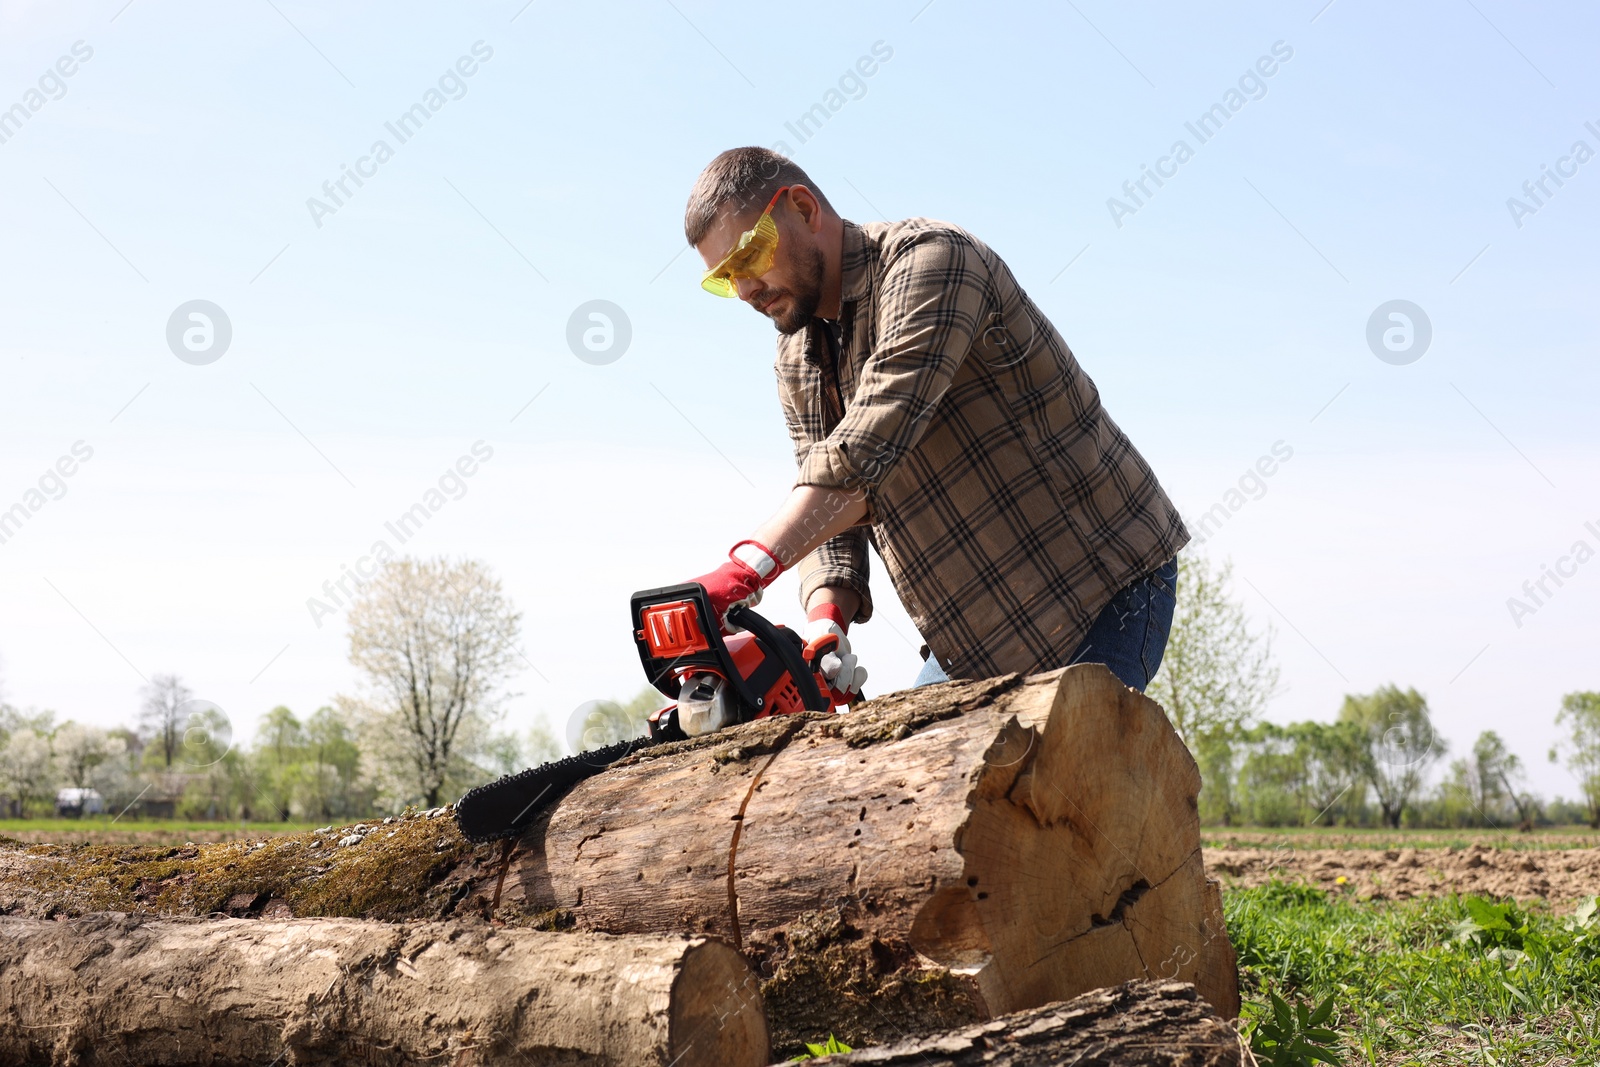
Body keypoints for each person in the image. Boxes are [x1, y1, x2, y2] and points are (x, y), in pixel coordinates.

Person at [673, 147, 1187, 700]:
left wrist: (744, 571)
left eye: (750, 256)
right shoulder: (797, 356)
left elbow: (866, 446)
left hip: (1099, 587)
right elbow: (828, 506)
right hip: (975, 633)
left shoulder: (932, 261)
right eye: (726, 278)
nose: (746, 289)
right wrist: (826, 620)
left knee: (1059, 778)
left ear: (802, 208)